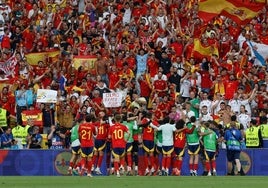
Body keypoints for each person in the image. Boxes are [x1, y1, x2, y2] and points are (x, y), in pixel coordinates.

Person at [108, 113, 130, 177]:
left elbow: (109, 137)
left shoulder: (112, 127)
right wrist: (126, 140)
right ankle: (122, 166)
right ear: (120, 119)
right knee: (122, 157)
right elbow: (129, 133)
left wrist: (112, 138)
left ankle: (117, 172)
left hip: (115, 145)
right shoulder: (123, 126)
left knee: (116, 159)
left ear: (114, 119)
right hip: (122, 144)